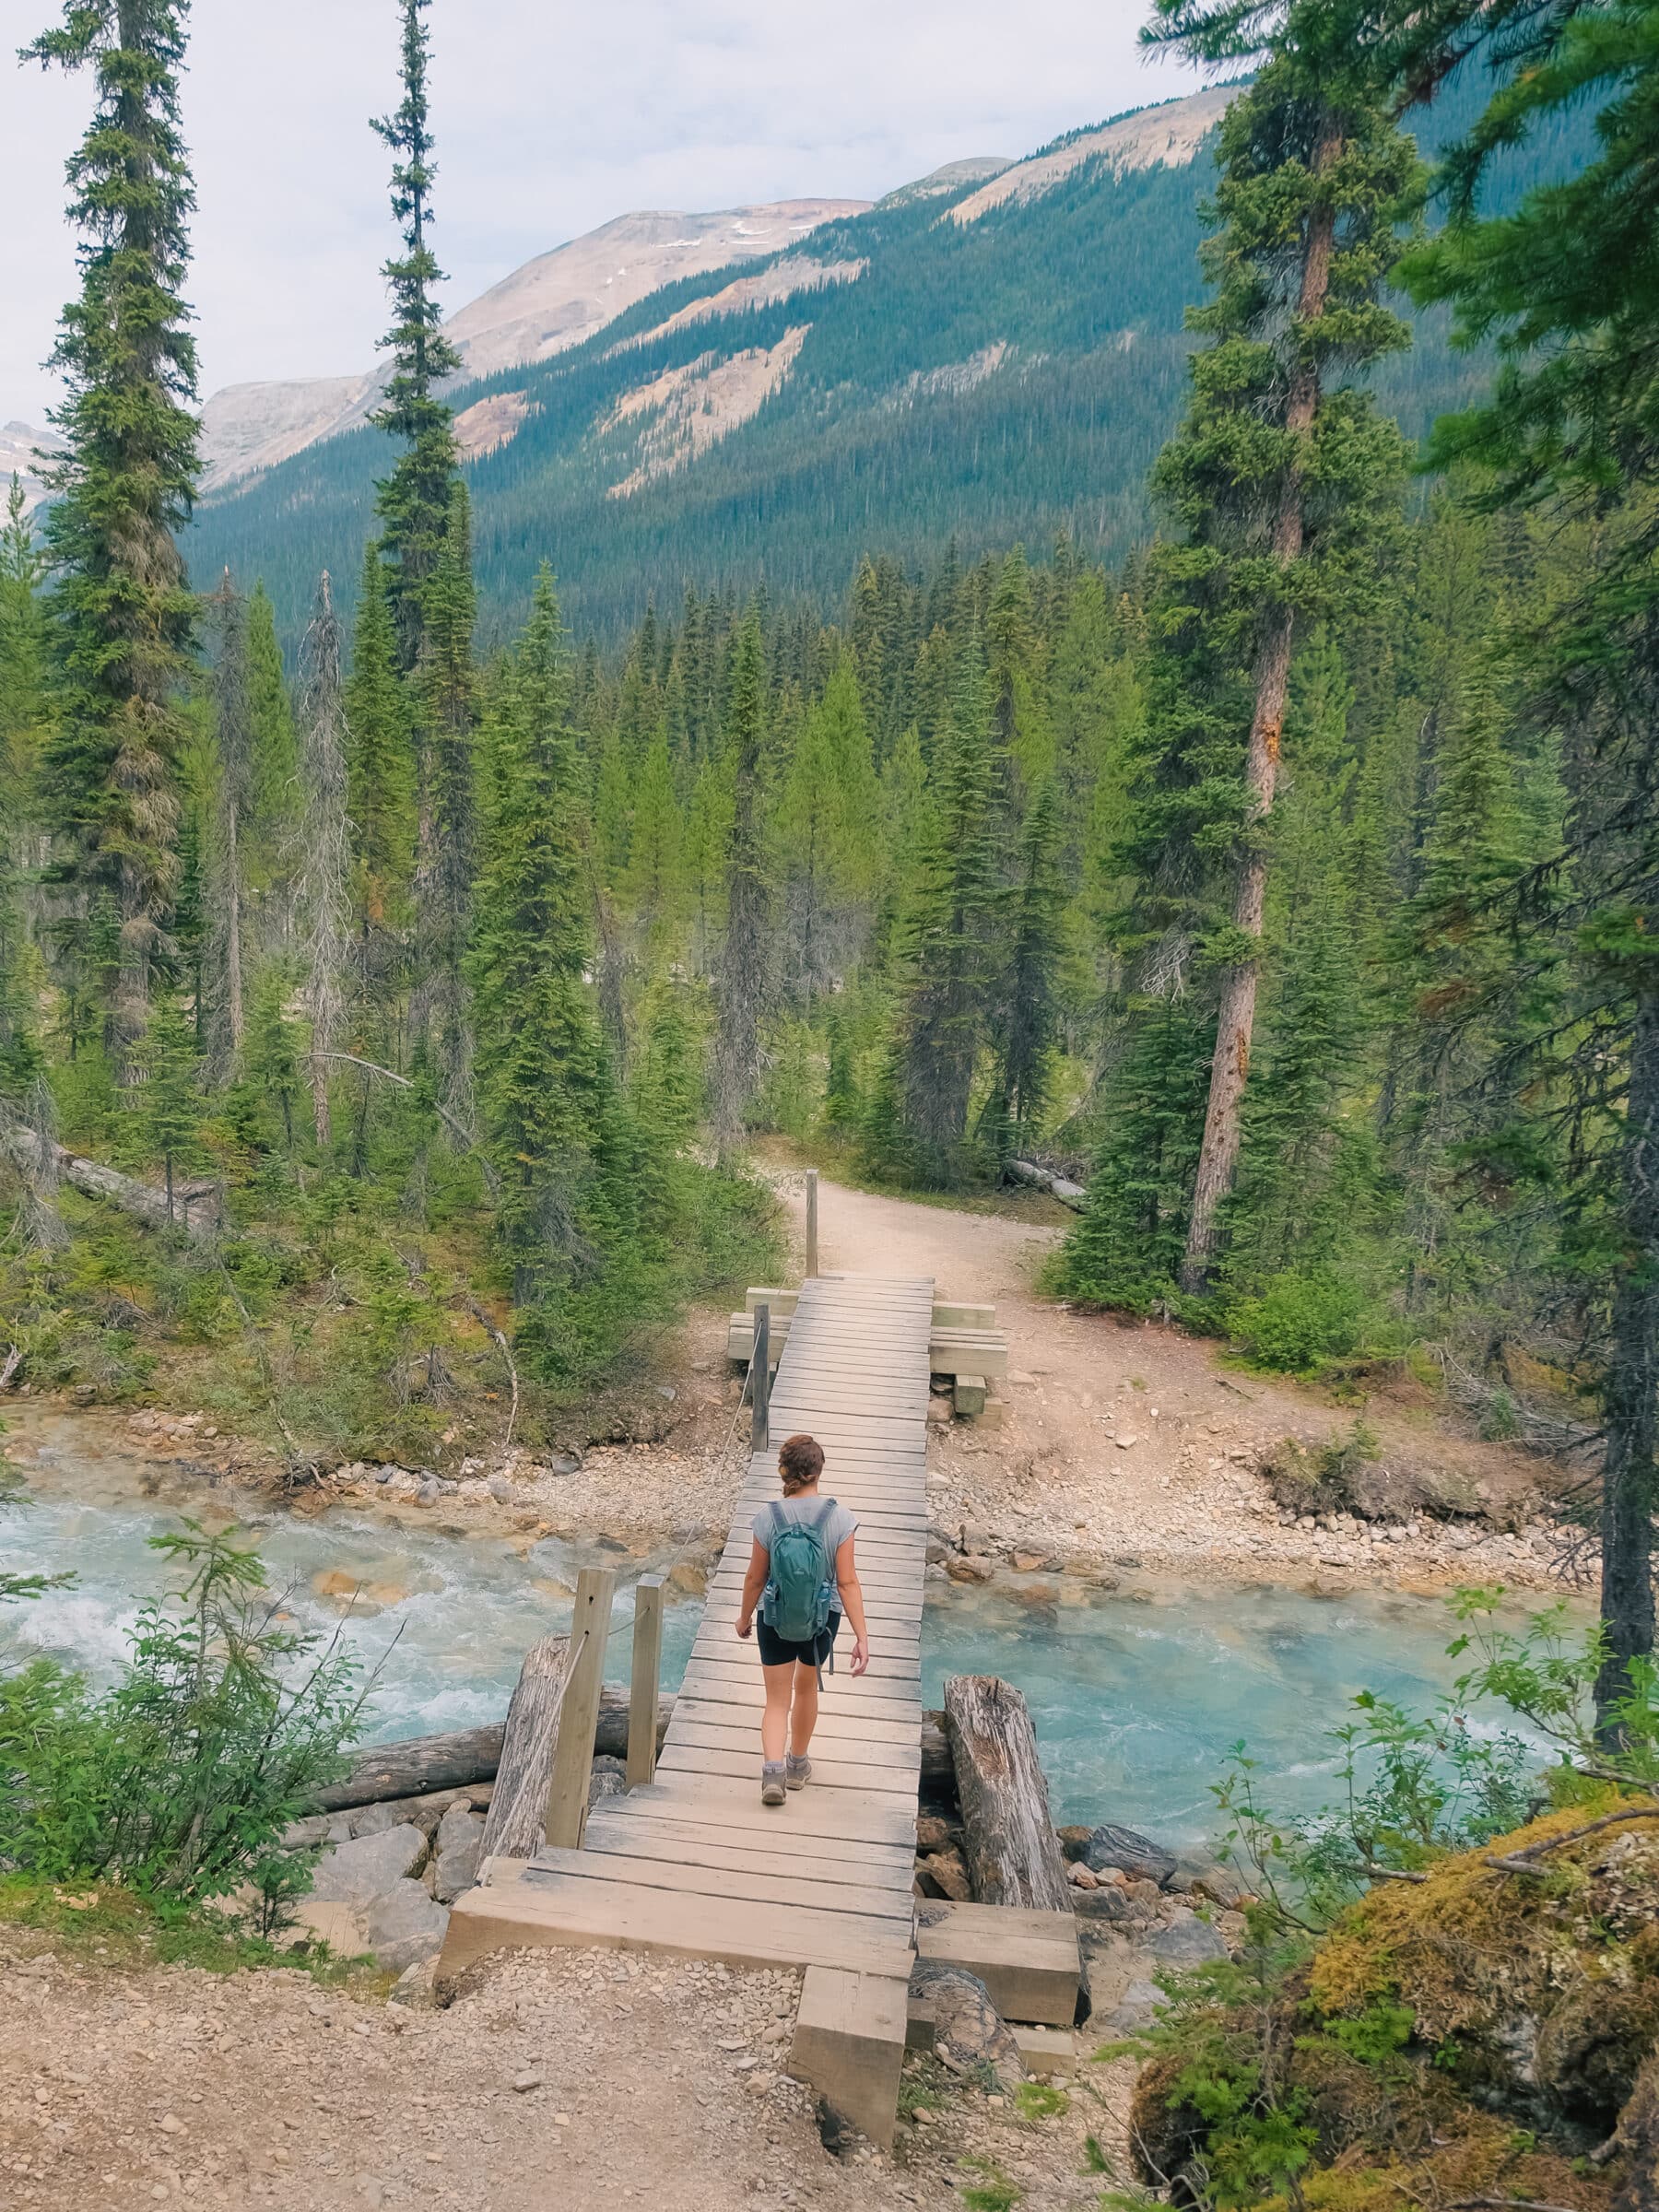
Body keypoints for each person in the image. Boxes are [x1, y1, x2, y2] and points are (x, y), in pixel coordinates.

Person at [735, 1431, 870, 1806]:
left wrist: (745, 1616)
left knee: (776, 1700)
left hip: (774, 1615)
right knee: (806, 1689)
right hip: (821, 1619)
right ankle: (797, 1766)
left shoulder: (768, 1516)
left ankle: (773, 1772)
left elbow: (755, 1578)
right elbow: (846, 1581)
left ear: (784, 1471)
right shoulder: (840, 1518)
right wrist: (862, 1636)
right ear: (819, 1471)